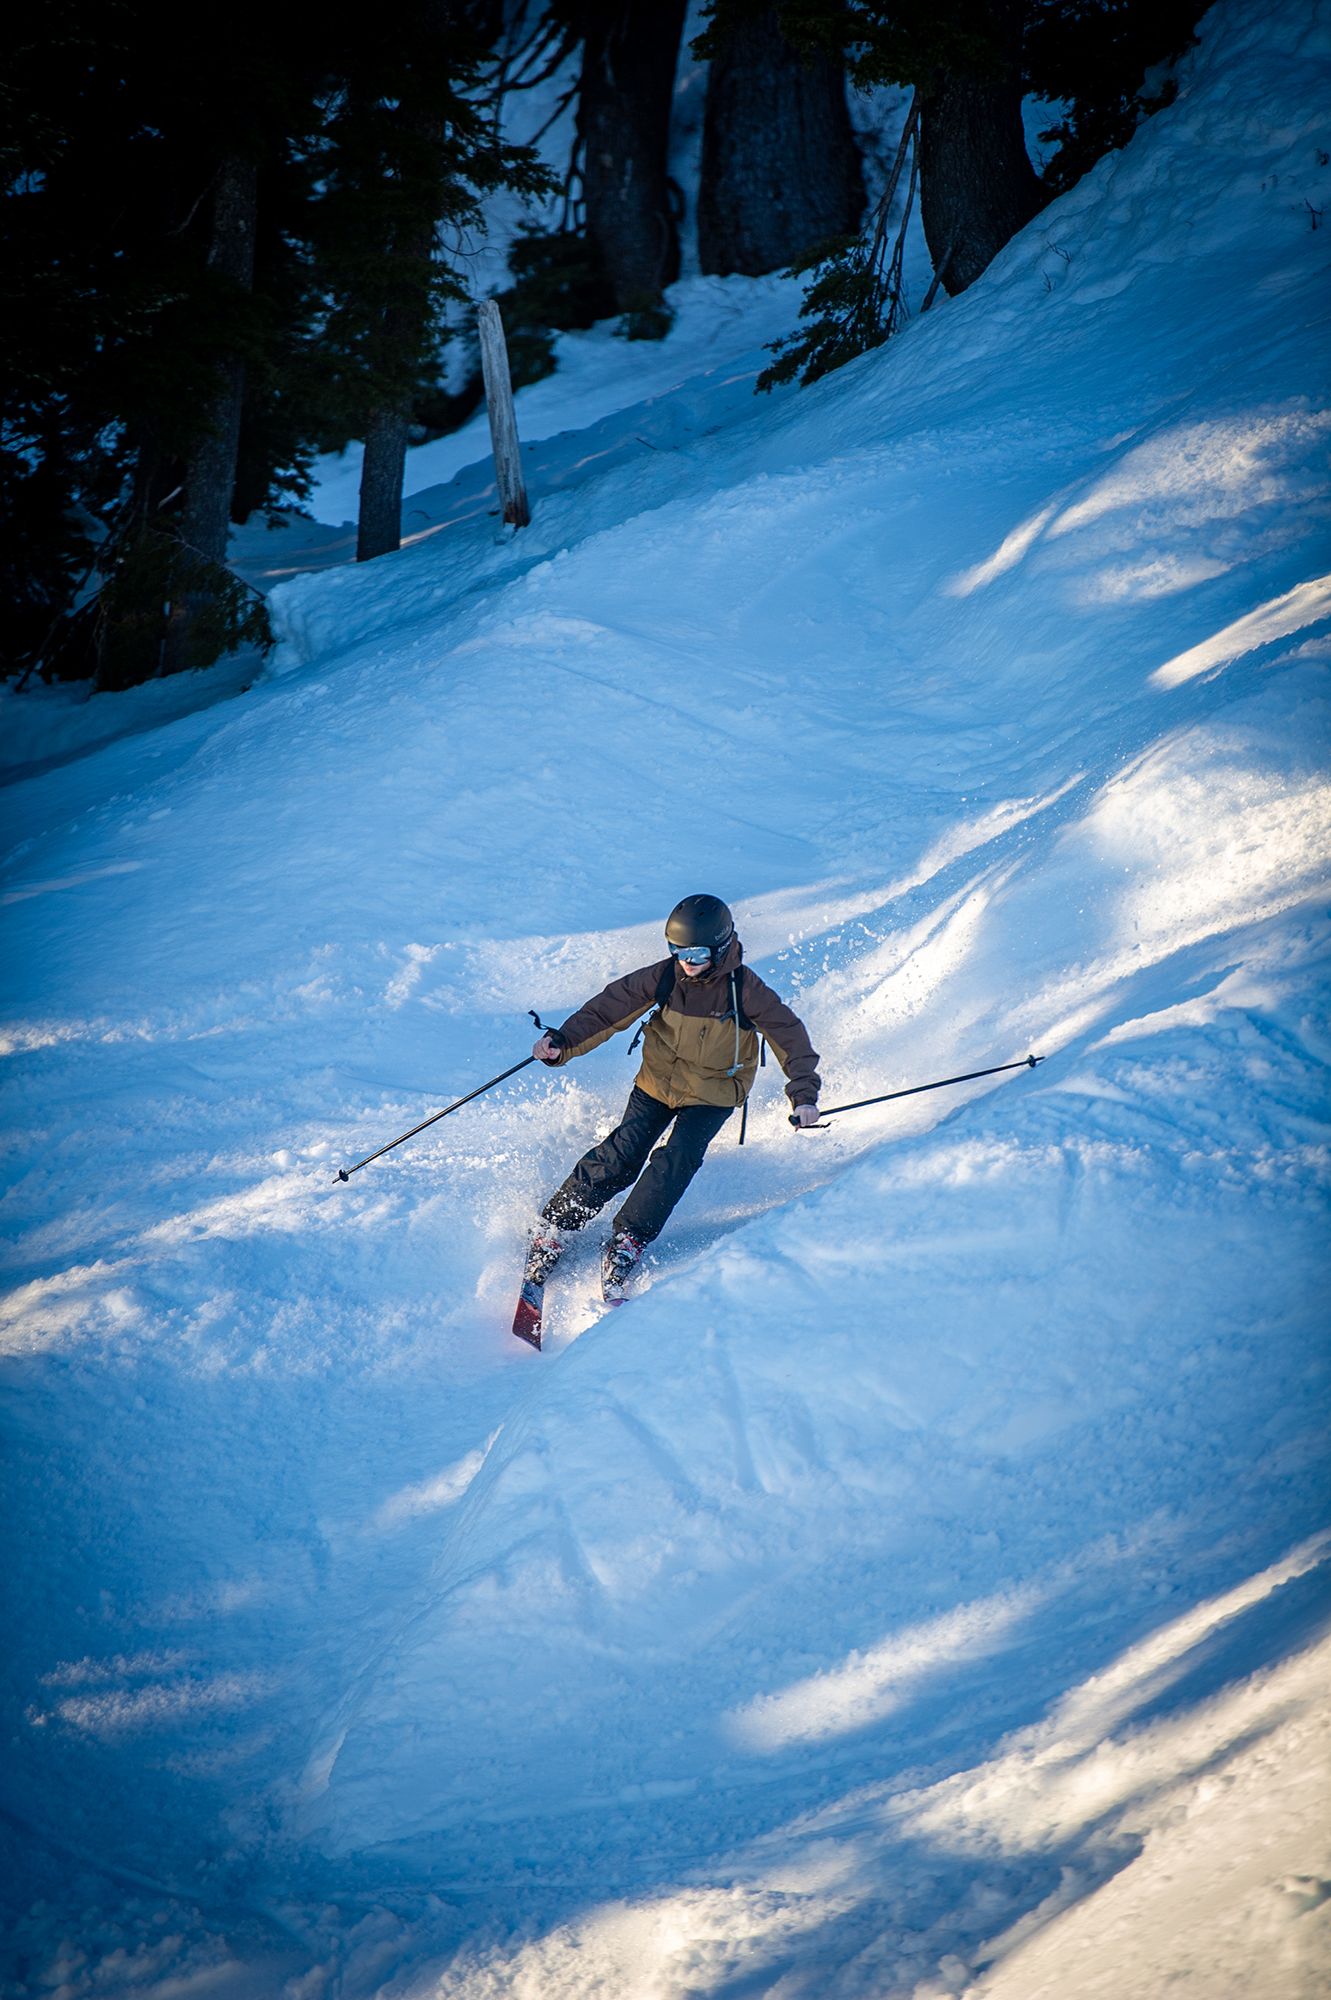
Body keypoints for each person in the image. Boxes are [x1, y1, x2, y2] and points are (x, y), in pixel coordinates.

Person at [526, 893, 821, 1303]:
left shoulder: (746, 991)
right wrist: (563, 1041)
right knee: (621, 1154)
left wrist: (803, 1096)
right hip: (658, 1083)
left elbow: (790, 1037)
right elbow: (609, 1009)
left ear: (720, 949)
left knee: (676, 1160)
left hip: (714, 1093)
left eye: (697, 953)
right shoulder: (665, 977)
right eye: (677, 950)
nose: (686, 961)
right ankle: (557, 1225)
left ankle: (628, 1240)